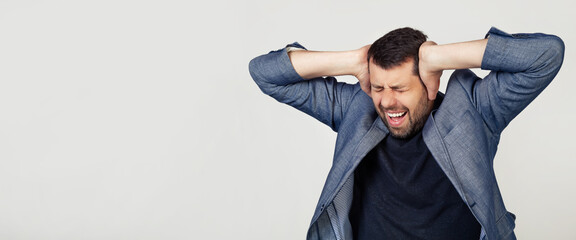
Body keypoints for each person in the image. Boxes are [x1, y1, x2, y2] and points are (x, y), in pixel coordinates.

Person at [248, 27, 564, 240]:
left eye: (399, 88)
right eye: (378, 87)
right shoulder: (357, 109)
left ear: (430, 83)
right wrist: (355, 61)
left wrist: (439, 57)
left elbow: (547, 54)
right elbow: (265, 73)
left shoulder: (475, 110)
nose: (386, 101)